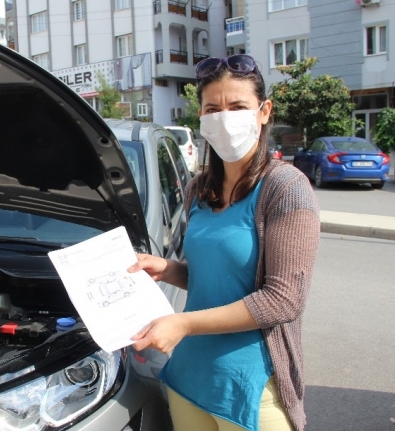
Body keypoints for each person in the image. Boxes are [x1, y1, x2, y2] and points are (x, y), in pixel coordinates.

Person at [127, 54, 320, 431]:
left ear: (264, 112)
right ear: (200, 117)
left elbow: (284, 298)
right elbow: (213, 277)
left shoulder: (286, 187)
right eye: (213, 108)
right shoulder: (201, 189)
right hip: (189, 380)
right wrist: (167, 269)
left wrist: (182, 324)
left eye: (237, 106)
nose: (224, 117)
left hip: (251, 388)